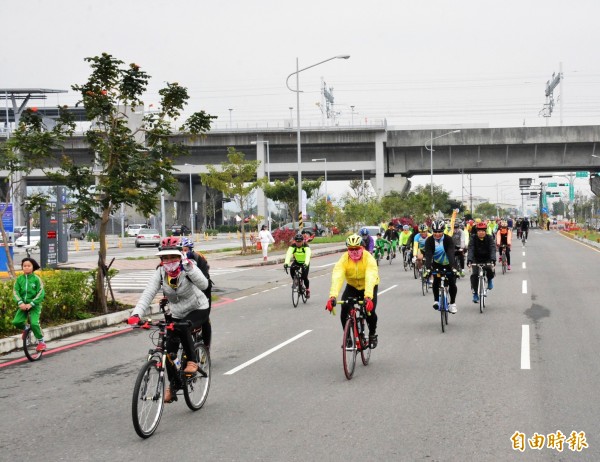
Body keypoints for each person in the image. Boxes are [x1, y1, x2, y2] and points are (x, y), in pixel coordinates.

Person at [128, 236, 210, 403]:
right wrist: (136, 314)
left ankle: (193, 361)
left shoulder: (188, 268)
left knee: (182, 328)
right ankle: (173, 386)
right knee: (169, 350)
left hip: (198, 308)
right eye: (165, 258)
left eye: (173, 257)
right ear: (161, 259)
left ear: (180, 256)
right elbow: (148, 293)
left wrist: (190, 268)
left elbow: (204, 285)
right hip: (177, 313)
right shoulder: (160, 272)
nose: (169, 260)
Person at [326, 234, 380, 348]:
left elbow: (370, 276)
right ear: (347, 249)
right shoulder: (344, 259)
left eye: (357, 249)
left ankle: (372, 334)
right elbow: (338, 276)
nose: (354, 251)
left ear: (363, 247)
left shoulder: (369, 258)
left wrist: (368, 297)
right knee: (344, 309)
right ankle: (348, 338)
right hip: (352, 286)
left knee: (371, 312)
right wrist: (332, 296)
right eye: (351, 249)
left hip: (368, 286)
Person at [180, 236, 213, 349]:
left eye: (185, 249)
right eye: (181, 250)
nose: (183, 252)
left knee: (205, 319)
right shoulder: (175, 259)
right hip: (185, 292)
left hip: (203, 289)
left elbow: (203, 280)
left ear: (190, 249)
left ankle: (207, 346)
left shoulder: (199, 258)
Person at [423, 220, 458, 313]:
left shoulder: (448, 239)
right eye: (435, 232)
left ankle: (452, 304)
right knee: (436, 280)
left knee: (452, 283)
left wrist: (453, 267)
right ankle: (436, 301)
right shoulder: (429, 241)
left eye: (439, 232)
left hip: (449, 264)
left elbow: (450, 253)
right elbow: (428, 255)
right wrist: (428, 268)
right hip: (437, 264)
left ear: (443, 231)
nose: (437, 234)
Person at [12, 257, 46, 352]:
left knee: (34, 323)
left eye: (28, 266)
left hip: (34, 306)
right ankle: (26, 328)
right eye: (24, 266)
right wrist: (20, 302)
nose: (26, 267)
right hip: (23, 305)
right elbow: (15, 291)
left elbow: (41, 293)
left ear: (33, 267)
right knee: (16, 322)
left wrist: (32, 303)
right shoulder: (19, 279)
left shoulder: (36, 279)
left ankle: (41, 342)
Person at [467, 221, 497, 303]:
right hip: (476, 259)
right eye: (479, 231)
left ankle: (490, 279)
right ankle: (475, 294)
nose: (481, 232)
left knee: (489, 268)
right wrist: (469, 260)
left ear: (485, 231)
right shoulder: (473, 238)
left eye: (483, 230)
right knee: (474, 275)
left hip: (487, 258)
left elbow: (492, 248)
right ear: (477, 231)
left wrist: (493, 260)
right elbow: (471, 249)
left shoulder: (489, 238)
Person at [283, 233, 312, 298]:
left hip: (305, 262)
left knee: (304, 277)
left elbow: (308, 256)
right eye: (297, 242)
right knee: (291, 269)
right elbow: (288, 254)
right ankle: (295, 281)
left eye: (300, 242)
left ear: (303, 241)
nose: (298, 243)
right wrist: (286, 263)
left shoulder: (306, 246)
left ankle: (307, 290)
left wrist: (306, 264)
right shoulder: (293, 246)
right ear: (295, 241)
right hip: (297, 262)